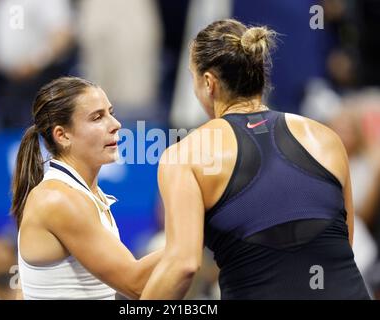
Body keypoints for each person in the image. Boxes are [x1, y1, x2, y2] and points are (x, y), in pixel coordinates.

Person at [140, 19, 371, 299]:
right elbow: (343, 242)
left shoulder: (185, 154)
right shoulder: (324, 138)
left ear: (208, 83)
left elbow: (183, 264)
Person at [12, 76, 161, 300]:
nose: (115, 124)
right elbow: (135, 284)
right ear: (62, 135)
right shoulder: (58, 198)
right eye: (97, 117)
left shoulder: (86, 194)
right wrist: (195, 231)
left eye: (111, 112)